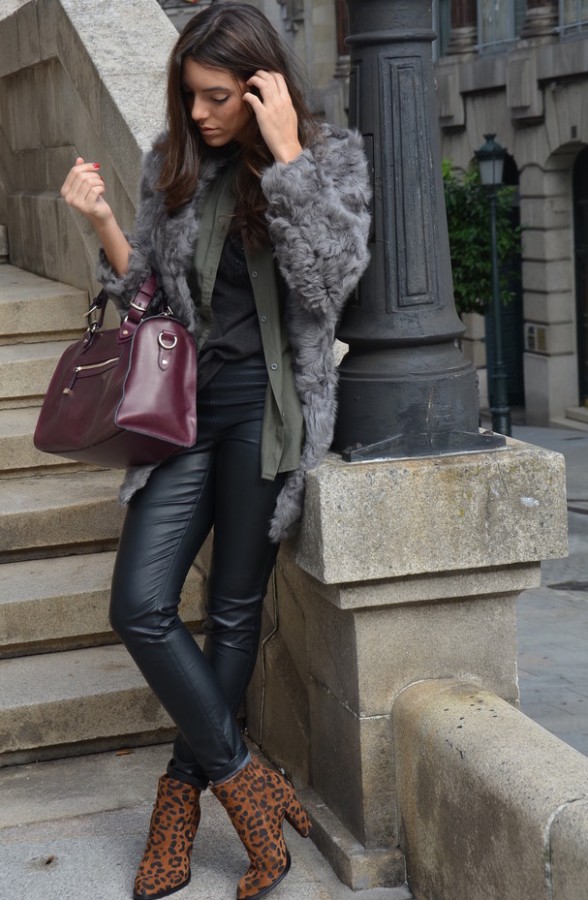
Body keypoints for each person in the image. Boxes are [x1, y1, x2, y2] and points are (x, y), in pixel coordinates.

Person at [61, 3, 371, 898]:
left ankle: (178, 805)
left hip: (267, 415)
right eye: (190, 96)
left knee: (234, 616)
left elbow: (328, 284)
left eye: (218, 97)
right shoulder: (175, 161)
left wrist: (289, 157)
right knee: (140, 604)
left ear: (262, 86)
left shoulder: (330, 160)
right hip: (182, 414)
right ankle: (245, 778)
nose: (199, 113)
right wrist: (104, 222)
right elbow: (149, 296)